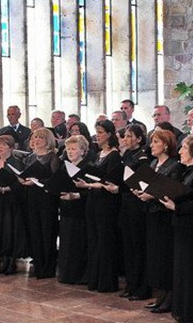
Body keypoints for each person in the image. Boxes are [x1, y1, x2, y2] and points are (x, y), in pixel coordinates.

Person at [159, 135, 193, 323]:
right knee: (183, 271)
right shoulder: (190, 172)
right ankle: (184, 310)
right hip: (184, 228)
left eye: (184, 148)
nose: (180, 151)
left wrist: (176, 207)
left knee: (192, 273)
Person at [133, 129, 184, 314]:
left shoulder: (175, 166)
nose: (151, 145)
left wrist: (151, 195)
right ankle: (161, 295)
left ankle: (169, 296)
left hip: (165, 216)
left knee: (165, 257)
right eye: (152, 142)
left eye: (155, 142)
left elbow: (173, 191)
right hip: (151, 214)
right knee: (155, 256)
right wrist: (141, 192)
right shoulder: (154, 163)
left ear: (166, 145)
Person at [74, 120, 123, 292]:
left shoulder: (115, 155)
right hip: (93, 200)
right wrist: (86, 182)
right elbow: (94, 176)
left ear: (109, 134)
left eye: (100, 132)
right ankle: (94, 279)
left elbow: (110, 181)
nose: (97, 135)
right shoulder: (97, 154)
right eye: (96, 132)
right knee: (93, 240)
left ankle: (106, 282)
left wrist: (87, 185)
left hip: (106, 202)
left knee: (105, 241)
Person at [21, 127, 61, 279]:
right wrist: (23, 179)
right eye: (35, 137)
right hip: (32, 197)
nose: (36, 140)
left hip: (47, 198)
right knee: (35, 232)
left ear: (48, 141)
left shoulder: (53, 157)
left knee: (47, 232)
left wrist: (38, 181)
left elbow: (55, 179)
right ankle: (38, 265)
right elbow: (26, 174)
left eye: (40, 138)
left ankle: (48, 267)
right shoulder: (31, 157)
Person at [0, 135, 28, 275]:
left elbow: (19, 184)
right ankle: (3, 261)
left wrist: (4, 189)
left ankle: (11, 262)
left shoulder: (16, 163)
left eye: (4, 145)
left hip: (11, 201)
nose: (1, 147)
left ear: (11, 147)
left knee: (10, 231)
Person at [118, 125, 151, 301]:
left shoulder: (143, 157)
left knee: (138, 247)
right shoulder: (127, 154)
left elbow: (142, 181)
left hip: (137, 204)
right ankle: (131, 285)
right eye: (125, 136)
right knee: (128, 246)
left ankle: (141, 287)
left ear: (139, 139)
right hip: (125, 202)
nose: (126, 139)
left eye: (130, 136)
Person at [57, 135, 91, 284]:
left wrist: (76, 195)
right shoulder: (64, 166)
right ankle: (66, 274)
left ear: (83, 151)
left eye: (74, 149)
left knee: (77, 243)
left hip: (80, 210)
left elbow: (91, 190)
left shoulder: (87, 166)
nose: (70, 152)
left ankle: (79, 275)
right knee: (66, 242)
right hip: (66, 208)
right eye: (68, 149)